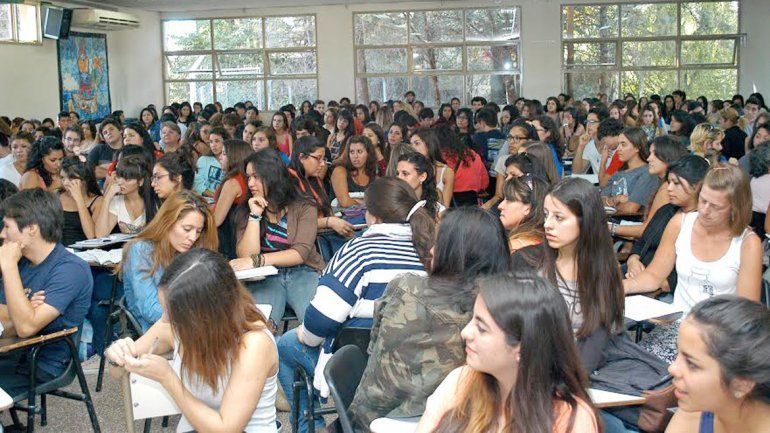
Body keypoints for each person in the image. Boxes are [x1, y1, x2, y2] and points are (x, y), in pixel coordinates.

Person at [277, 177, 434, 433]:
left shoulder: (358, 252)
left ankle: (310, 427)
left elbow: (321, 320)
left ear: (371, 216)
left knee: (285, 344)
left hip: (359, 369)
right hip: (418, 368)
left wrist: (304, 334)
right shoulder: (429, 252)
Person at [348, 208, 510, 431]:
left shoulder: (404, 288)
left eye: (440, 243)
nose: (432, 250)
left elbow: (373, 345)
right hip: (461, 422)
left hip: (373, 418)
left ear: (457, 252)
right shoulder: (501, 309)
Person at [106, 248, 278, 432]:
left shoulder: (254, 344)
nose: (164, 319)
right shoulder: (174, 324)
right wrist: (115, 355)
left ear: (204, 314)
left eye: (172, 313)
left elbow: (226, 428)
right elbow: (117, 371)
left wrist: (167, 378)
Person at [415, 272, 600, 433]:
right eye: (472, 320)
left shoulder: (570, 418)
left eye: (482, 328)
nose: (465, 333)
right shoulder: (461, 382)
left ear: (522, 346)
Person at [625, 164, 762, 362]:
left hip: (722, 338)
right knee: (638, 371)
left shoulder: (747, 243)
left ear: (735, 208)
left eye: (715, 206)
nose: (704, 210)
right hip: (679, 328)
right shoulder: (681, 223)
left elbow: (745, 311)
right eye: (703, 201)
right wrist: (620, 287)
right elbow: (654, 276)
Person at [0, 189, 93, 394]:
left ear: (32, 228)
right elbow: (8, 315)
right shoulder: (23, 262)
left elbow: (25, 328)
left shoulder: (71, 269)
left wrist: (8, 268)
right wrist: (25, 306)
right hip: (10, 352)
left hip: (40, 364)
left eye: (7, 227)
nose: (2, 234)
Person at [230, 150, 325, 324]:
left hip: (303, 271)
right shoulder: (247, 209)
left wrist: (257, 260)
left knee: (314, 324)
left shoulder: (304, 205)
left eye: (256, 177)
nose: (250, 183)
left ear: (272, 175)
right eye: (248, 177)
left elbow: (300, 253)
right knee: (261, 325)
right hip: (265, 277)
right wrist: (255, 216)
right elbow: (246, 256)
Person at [542, 177, 625, 373]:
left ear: (585, 220)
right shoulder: (538, 265)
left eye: (559, 218)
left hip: (577, 373)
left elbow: (593, 349)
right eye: (546, 215)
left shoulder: (603, 272)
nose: (547, 224)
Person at [665, 296, 770, 433]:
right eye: (677, 353)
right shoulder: (696, 409)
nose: (672, 368)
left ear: (742, 384)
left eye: (691, 364)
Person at [118, 191, 217, 332]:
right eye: (187, 229)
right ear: (167, 222)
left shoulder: (188, 251)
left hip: (188, 328)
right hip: (158, 333)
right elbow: (150, 311)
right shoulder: (141, 250)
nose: (193, 237)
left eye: (198, 231)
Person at [625, 155, 710, 296]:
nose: (669, 189)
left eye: (676, 183)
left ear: (697, 186)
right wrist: (633, 260)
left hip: (664, 290)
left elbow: (678, 278)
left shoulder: (702, 223)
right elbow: (642, 243)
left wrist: (644, 282)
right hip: (639, 277)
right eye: (668, 182)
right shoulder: (666, 211)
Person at [612, 135, 689, 240]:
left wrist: (610, 228)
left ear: (668, 157)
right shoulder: (663, 182)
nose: (649, 158)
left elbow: (647, 230)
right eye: (650, 153)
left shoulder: (667, 188)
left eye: (655, 154)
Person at [600, 127, 660, 214]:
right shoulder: (618, 172)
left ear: (637, 148)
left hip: (629, 224)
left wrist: (609, 202)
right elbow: (600, 200)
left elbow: (630, 209)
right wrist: (616, 199)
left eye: (623, 144)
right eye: (618, 144)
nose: (618, 149)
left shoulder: (647, 173)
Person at [95, 154, 155, 236]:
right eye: (119, 177)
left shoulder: (154, 201)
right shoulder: (117, 202)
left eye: (127, 179)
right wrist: (107, 198)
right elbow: (100, 235)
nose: (120, 182)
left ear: (140, 181)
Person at [213, 139, 252, 259]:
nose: (220, 157)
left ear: (235, 157)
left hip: (228, 239)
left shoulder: (233, 182)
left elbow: (217, 220)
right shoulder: (246, 178)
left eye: (224, 154)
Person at [436, 126, 489, 207]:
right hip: (473, 202)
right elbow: (484, 182)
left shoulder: (441, 157)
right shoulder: (473, 155)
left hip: (450, 202)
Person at [499, 174, 548, 258]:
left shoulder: (513, 249)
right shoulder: (548, 242)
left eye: (509, 200)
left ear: (528, 208)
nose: (500, 206)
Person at [59, 157, 103, 247]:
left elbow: (91, 236)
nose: (65, 182)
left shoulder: (98, 201)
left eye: (71, 178)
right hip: (61, 251)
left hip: (85, 252)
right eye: (62, 178)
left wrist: (79, 199)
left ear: (84, 179)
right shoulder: (57, 196)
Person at [410, 128, 455, 208]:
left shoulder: (447, 172)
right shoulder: (409, 168)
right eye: (411, 144)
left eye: (417, 143)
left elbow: (445, 207)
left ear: (429, 144)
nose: (412, 148)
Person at [331, 135, 378, 208]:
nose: (355, 156)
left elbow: (378, 203)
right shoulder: (340, 171)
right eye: (352, 152)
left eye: (359, 151)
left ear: (368, 154)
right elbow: (345, 202)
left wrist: (354, 200)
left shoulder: (374, 177)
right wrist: (365, 203)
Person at [396, 152, 445, 219]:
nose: (399, 178)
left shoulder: (438, 211)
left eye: (405, 174)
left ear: (422, 177)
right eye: (397, 173)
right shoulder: (390, 204)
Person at [571, 107, 609, 174]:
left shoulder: (613, 144)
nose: (588, 125)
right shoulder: (589, 145)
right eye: (587, 122)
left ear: (603, 123)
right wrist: (581, 146)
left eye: (592, 122)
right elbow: (576, 172)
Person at [193, 126, 226, 198]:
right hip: (204, 202)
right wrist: (216, 197)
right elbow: (198, 185)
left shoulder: (231, 163)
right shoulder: (203, 160)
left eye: (217, 141)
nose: (213, 145)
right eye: (211, 142)